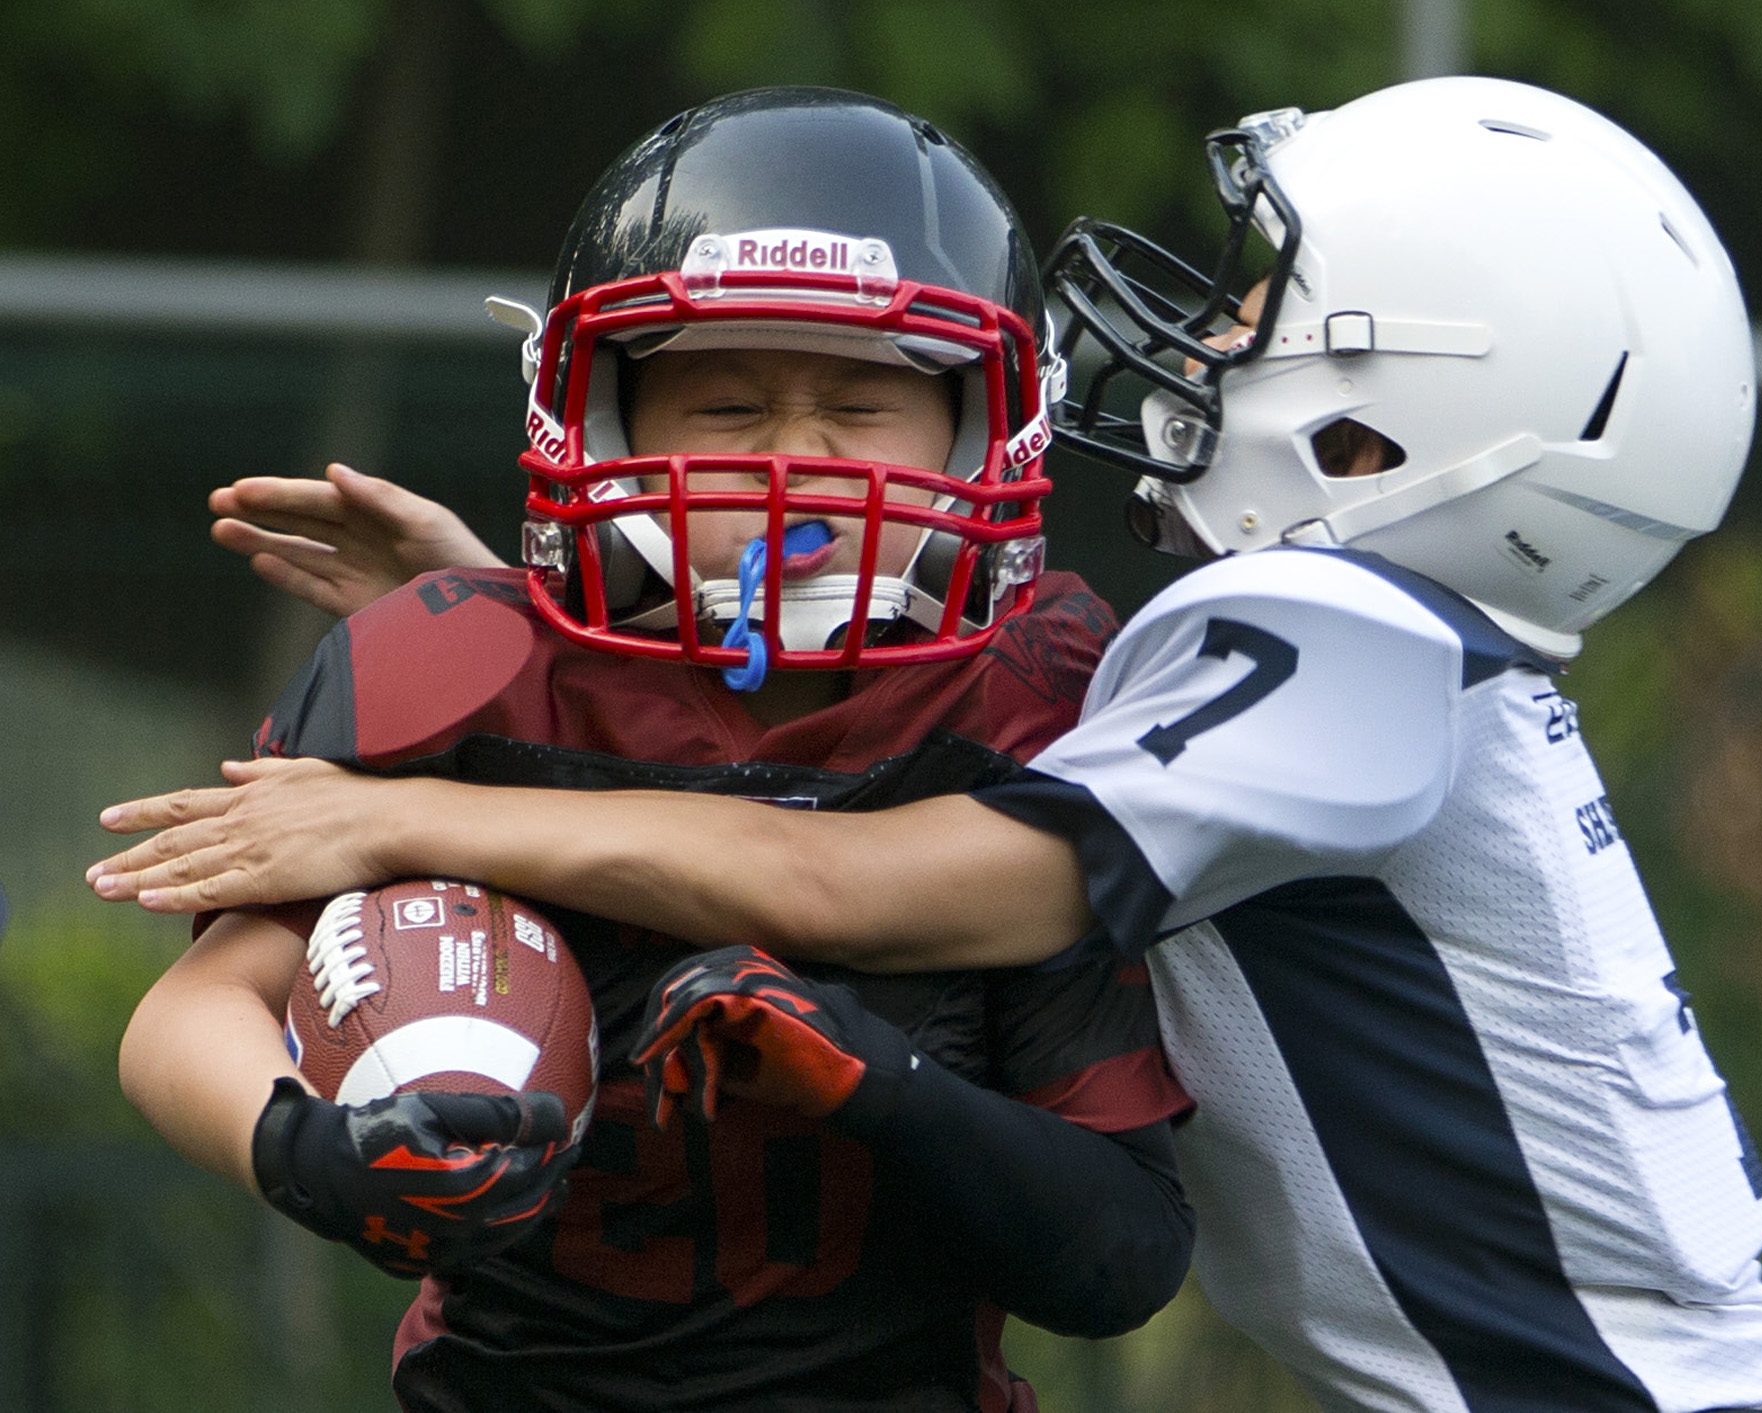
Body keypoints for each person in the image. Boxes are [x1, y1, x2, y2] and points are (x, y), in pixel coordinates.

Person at [93, 78, 1762, 1412]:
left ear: (1394, 432)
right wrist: (526, 643)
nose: (1202, 333)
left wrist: (424, 819)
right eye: (720, 402)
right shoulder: (1336, 658)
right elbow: (743, 758)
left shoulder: (1328, 645)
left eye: (1260, 312)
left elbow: (852, 870)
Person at [111, 87, 1196, 1413]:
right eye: (728, 402)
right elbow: (194, 1014)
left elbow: (1119, 1257)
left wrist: (879, 1083)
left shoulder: (1038, 693)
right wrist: (309, 1146)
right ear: (609, 416)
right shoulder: (464, 666)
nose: (797, 459)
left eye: (864, 404)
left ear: (984, 424)